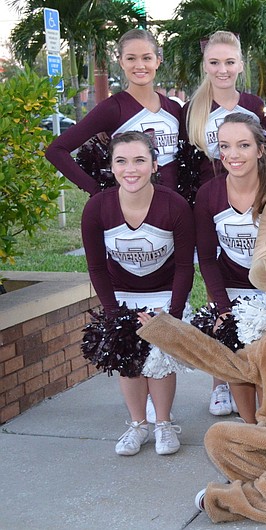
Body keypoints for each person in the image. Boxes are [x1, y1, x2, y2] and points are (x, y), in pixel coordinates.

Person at [81, 131, 194, 456]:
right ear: (111, 166)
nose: (131, 169)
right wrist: (113, 313)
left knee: (159, 360)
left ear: (155, 164)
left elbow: (186, 266)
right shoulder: (97, 208)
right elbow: (97, 268)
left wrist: (171, 314)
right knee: (128, 358)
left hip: (164, 295)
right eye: (122, 161)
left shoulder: (174, 206)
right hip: (120, 295)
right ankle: (137, 425)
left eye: (140, 160)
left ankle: (163, 423)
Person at [195, 113, 266, 423]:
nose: (233, 155)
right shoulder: (208, 194)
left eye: (243, 145)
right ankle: (251, 431)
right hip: (232, 294)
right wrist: (222, 307)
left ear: (260, 149)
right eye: (225, 146)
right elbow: (207, 257)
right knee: (238, 365)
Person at [46, 29, 182, 194]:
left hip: (177, 210)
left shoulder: (175, 109)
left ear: (158, 61)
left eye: (147, 58)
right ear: (121, 62)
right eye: (131, 58)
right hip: (129, 211)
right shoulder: (111, 108)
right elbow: (56, 151)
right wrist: (98, 191)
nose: (140, 65)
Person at [183, 31, 264, 186]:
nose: (222, 70)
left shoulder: (254, 106)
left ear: (240, 65)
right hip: (207, 200)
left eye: (230, 62)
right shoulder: (191, 110)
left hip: (252, 196)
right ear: (205, 66)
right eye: (214, 62)